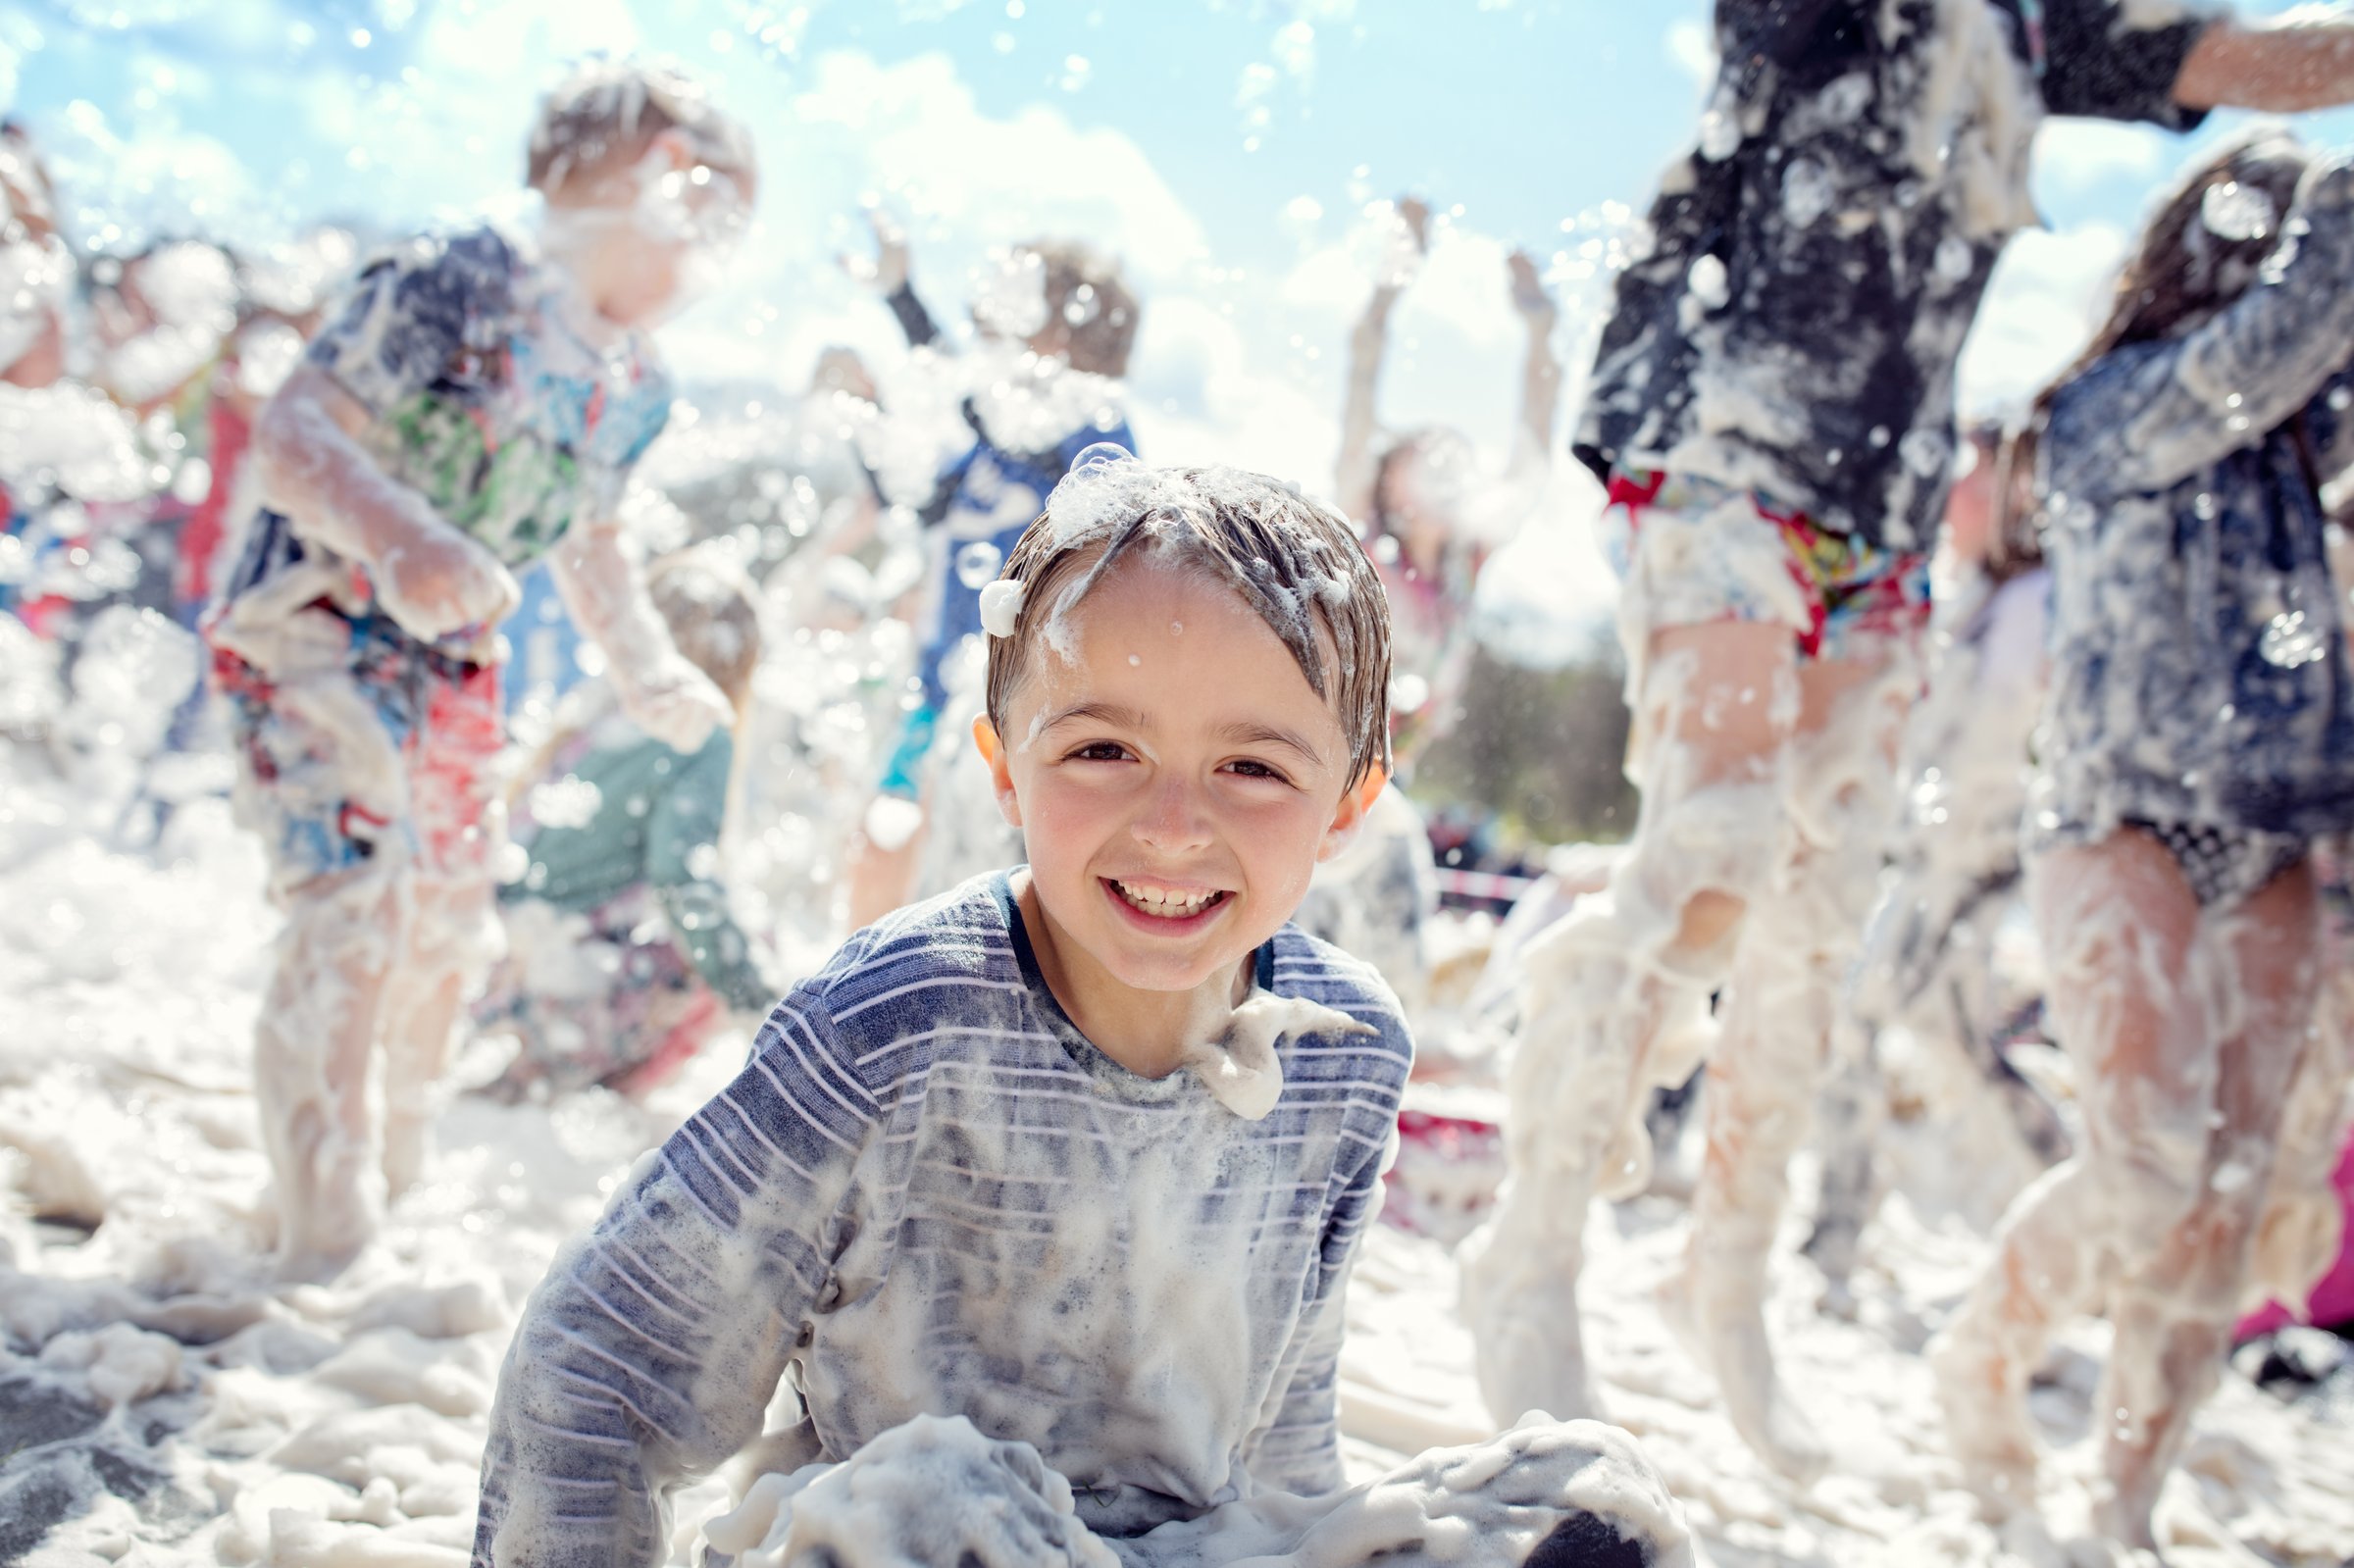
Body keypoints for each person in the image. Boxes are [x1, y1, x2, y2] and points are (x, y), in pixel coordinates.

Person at [470, 456, 1695, 1568]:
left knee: (1589, 1509)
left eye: (1255, 767)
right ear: (1003, 762)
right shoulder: (892, 1024)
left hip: (1185, 1555)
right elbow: (597, 1372)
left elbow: (1280, 1449)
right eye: (1103, 749)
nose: (1173, 824)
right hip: (900, 1547)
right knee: (937, 1504)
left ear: (1348, 805)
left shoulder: (1343, 1052)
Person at [1461, 0, 2354, 1484]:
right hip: (1716, 441)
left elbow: (2258, 62)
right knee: (1717, 848)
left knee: (1817, 929)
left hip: (1874, 516)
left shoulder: (2031, 33)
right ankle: (1530, 1252)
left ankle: (1723, 1282)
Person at [203, 59, 755, 1281]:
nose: (719, 247)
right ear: (636, 180)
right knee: (355, 900)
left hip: (451, 656)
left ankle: (399, 1168)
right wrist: (406, 537)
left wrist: (647, 662)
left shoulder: (633, 382)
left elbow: (591, 537)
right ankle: (322, 1229)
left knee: (451, 917)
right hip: (309, 617)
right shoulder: (455, 280)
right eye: (711, 202)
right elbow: (292, 436)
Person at [1930, 134, 2354, 1547]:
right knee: (2149, 1166)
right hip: (2122, 817)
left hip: (2281, 822)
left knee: (2231, 1195)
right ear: (2209, 249)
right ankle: (1980, 1348)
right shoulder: (2107, 406)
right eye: (2283, 234)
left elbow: (2306, 349)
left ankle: (2120, 1505)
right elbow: (2275, 341)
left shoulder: (2304, 429)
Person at [1804, 422, 2065, 1308]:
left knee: (1856, 1016)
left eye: (1974, 482)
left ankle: (1831, 1237)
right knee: (1959, 1048)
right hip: (1925, 852)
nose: (1953, 495)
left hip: (1974, 857)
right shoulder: (1961, 598)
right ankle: (2080, 1196)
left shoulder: (2042, 602)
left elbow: (2033, 736)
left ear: (2016, 498)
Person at [841, 219, 1142, 926]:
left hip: (1034, 700)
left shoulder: (1089, 424)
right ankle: (853, 993)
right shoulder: (979, 450)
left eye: (1014, 303)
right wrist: (865, 421)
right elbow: (908, 491)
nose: (988, 319)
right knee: (882, 839)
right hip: (940, 686)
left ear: (1066, 332)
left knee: (995, 881)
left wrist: (908, 305)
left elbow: (1119, 531)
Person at [475, 544, 776, 1102]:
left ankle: (534, 1063)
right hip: (571, 983)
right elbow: (685, 881)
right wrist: (764, 1006)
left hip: (499, 967)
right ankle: (596, 1085)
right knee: (744, 943)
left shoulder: (604, 705)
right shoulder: (699, 729)